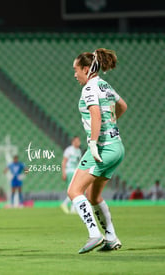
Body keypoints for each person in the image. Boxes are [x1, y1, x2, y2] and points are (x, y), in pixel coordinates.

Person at [68, 48, 127, 254]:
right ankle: (111, 237)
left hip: (102, 148)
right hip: (117, 147)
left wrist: (93, 143)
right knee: (93, 196)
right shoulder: (104, 84)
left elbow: (95, 115)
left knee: (74, 191)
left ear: (86, 69)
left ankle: (94, 234)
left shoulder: (89, 88)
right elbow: (122, 106)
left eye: (76, 70)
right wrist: (112, 124)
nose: (75, 74)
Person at [60, 136, 82, 214]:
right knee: (73, 190)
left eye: (79, 141)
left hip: (75, 172)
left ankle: (73, 208)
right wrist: (64, 172)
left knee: (76, 190)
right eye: (77, 141)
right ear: (73, 142)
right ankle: (65, 204)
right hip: (70, 171)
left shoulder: (79, 151)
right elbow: (64, 162)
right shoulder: (69, 150)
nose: (78, 142)